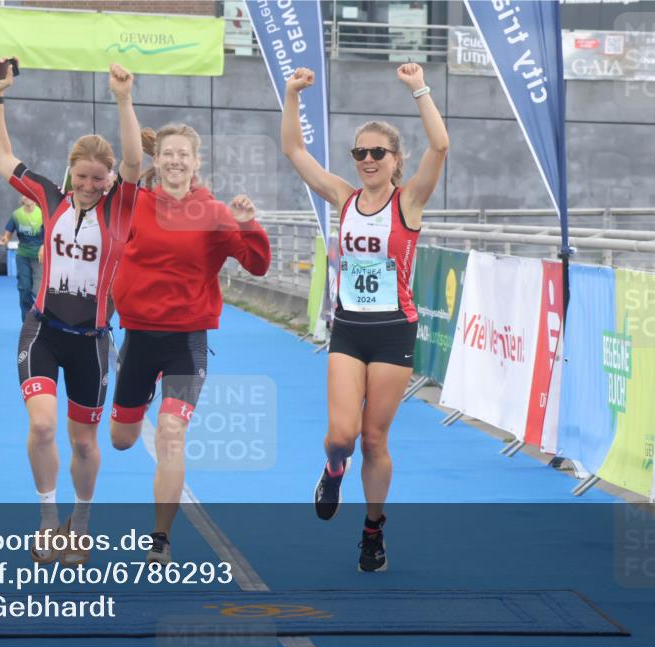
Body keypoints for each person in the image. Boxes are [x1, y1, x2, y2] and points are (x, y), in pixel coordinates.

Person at [281, 64, 448, 572]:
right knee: (341, 437)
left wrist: (419, 88)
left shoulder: (409, 200)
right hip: (350, 328)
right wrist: (292, 94)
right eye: (360, 153)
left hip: (394, 330)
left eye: (378, 153)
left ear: (395, 160)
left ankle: (373, 530)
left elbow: (440, 145)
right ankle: (334, 470)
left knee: (375, 440)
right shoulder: (343, 197)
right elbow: (294, 150)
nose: (369, 160)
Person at [0, 57, 141, 566]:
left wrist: (123, 98)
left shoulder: (120, 206)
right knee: (42, 427)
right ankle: (49, 521)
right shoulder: (49, 196)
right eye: (82, 176)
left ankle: (82, 522)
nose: (90, 185)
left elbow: (134, 160)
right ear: (70, 172)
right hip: (43, 331)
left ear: (109, 178)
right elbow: (0, 154)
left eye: (99, 178)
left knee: (85, 444)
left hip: (91, 342)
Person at [109, 124, 271, 564]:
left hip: (186, 342)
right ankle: (141, 398)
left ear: (196, 162)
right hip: (139, 339)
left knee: (170, 433)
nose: (176, 160)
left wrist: (248, 225)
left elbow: (257, 264)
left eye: (184, 154)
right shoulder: (136, 204)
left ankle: (160, 536)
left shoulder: (213, 213)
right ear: (157, 160)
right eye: (169, 153)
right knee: (121, 439)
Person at [0, 195, 44, 320]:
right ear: (21, 198)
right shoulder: (16, 215)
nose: (27, 197)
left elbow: (50, 233)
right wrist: (4, 240)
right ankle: (27, 321)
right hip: (23, 256)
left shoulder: (42, 213)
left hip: (40, 258)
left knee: (38, 291)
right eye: (24, 194)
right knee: (24, 290)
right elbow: (7, 235)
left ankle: (43, 320)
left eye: (30, 194)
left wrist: (44, 246)